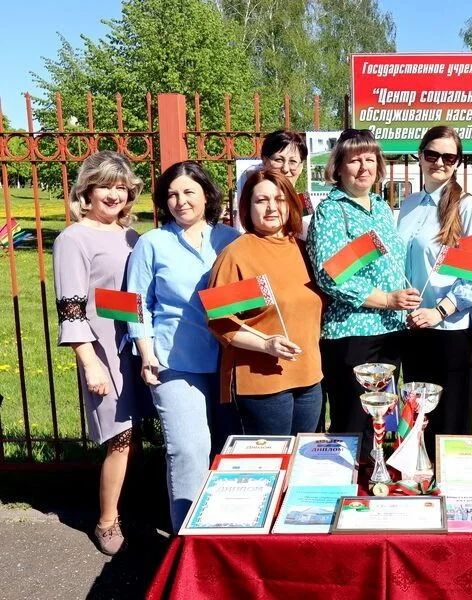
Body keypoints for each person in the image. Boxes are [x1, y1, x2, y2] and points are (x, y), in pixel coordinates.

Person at [127, 161, 240, 532]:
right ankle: (188, 537)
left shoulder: (231, 239)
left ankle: (226, 528)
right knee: (189, 450)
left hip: (229, 361)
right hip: (173, 361)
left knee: (230, 448)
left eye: (189, 191)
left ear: (207, 195)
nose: (180, 201)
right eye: (172, 194)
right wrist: (146, 354)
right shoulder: (152, 243)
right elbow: (136, 303)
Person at [52, 150, 150, 555]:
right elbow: (72, 308)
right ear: (87, 190)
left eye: (121, 187)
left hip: (136, 344)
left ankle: (136, 503)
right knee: (119, 436)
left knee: (138, 432)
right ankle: (107, 521)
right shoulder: (73, 239)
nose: (114, 194)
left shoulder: (131, 237)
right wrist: (90, 363)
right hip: (103, 350)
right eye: (105, 185)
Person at [306, 128, 420, 436]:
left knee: (383, 423)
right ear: (338, 167)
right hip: (353, 334)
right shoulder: (332, 211)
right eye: (354, 160)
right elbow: (330, 275)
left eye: (369, 159)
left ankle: (377, 467)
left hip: (390, 331)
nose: (363, 167)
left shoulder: (381, 207)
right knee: (355, 424)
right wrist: (387, 299)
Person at [208, 168, 324, 435]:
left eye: (279, 199)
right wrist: (265, 344)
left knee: (301, 454)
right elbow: (220, 321)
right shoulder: (236, 254)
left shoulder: (305, 249)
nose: (272, 207)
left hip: (309, 378)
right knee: (271, 457)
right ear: (247, 207)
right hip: (262, 382)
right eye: (261, 200)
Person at [397, 126, 472, 436]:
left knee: (449, 419)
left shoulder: (468, 208)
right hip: (412, 326)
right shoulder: (409, 204)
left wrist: (439, 311)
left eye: (448, 157)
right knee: (416, 419)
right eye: (432, 154)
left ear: (457, 162)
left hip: (450, 329)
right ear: (420, 156)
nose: (439, 162)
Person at [234, 130, 314, 236]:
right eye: (279, 160)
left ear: (301, 166)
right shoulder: (250, 196)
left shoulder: (305, 201)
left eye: (293, 161)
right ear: (264, 161)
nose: (285, 169)